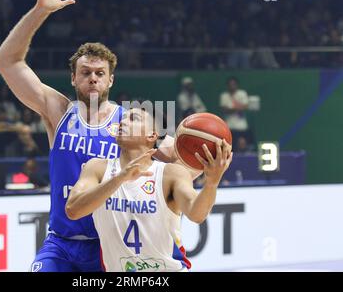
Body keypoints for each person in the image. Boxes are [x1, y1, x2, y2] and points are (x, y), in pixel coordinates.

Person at [0, 0, 202, 272]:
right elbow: (7, 61)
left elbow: (178, 163)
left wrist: (201, 156)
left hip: (110, 246)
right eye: (86, 71)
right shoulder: (58, 112)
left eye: (100, 73)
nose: (92, 77)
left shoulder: (130, 123)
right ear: (73, 78)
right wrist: (40, 11)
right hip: (61, 242)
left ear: (111, 80)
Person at [66, 108, 232, 272]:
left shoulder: (171, 174)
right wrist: (119, 178)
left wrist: (212, 182)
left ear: (152, 135)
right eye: (123, 118)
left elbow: (197, 214)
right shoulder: (97, 168)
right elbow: (73, 210)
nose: (122, 122)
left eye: (133, 118)